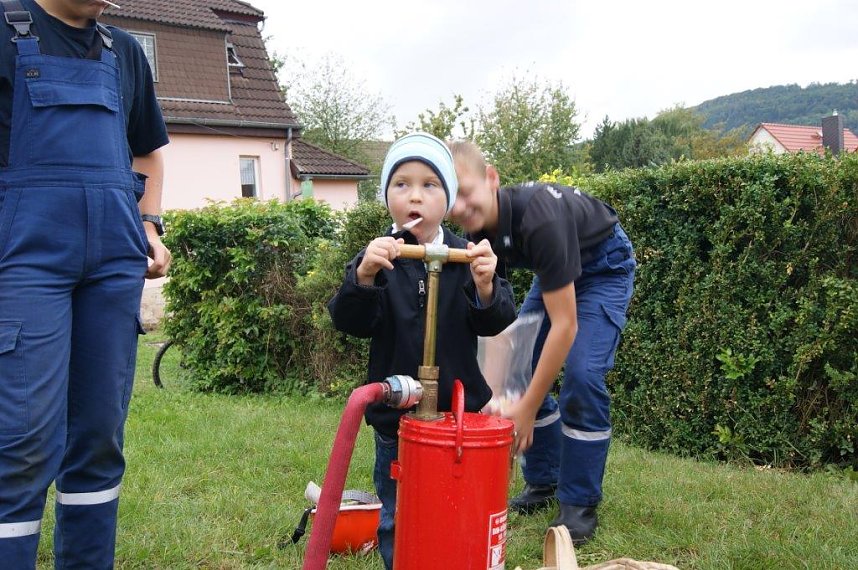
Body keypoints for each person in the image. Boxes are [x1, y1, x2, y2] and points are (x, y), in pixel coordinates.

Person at [0, 0, 170, 567]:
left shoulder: (124, 51)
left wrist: (149, 224)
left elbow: (147, 149)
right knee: (21, 441)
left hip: (113, 264)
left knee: (99, 435)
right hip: (25, 260)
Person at [328, 132, 516, 569]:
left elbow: (496, 320)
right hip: (396, 420)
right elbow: (350, 321)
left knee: (458, 507)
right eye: (402, 184)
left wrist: (487, 285)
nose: (415, 195)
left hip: (458, 420)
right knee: (398, 513)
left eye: (429, 184)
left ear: (448, 199)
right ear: (386, 196)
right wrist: (364, 276)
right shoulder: (379, 257)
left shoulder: (467, 256)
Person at [448, 140, 635, 545]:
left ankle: (579, 502)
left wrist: (528, 407)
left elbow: (565, 326)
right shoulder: (477, 232)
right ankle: (545, 479)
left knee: (582, 375)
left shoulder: (539, 218)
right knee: (516, 366)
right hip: (555, 273)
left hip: (604, 268)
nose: (459, 207)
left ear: (491, 178)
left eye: (465, 191)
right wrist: (502, 385)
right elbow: (495, 318)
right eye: (450, 197)